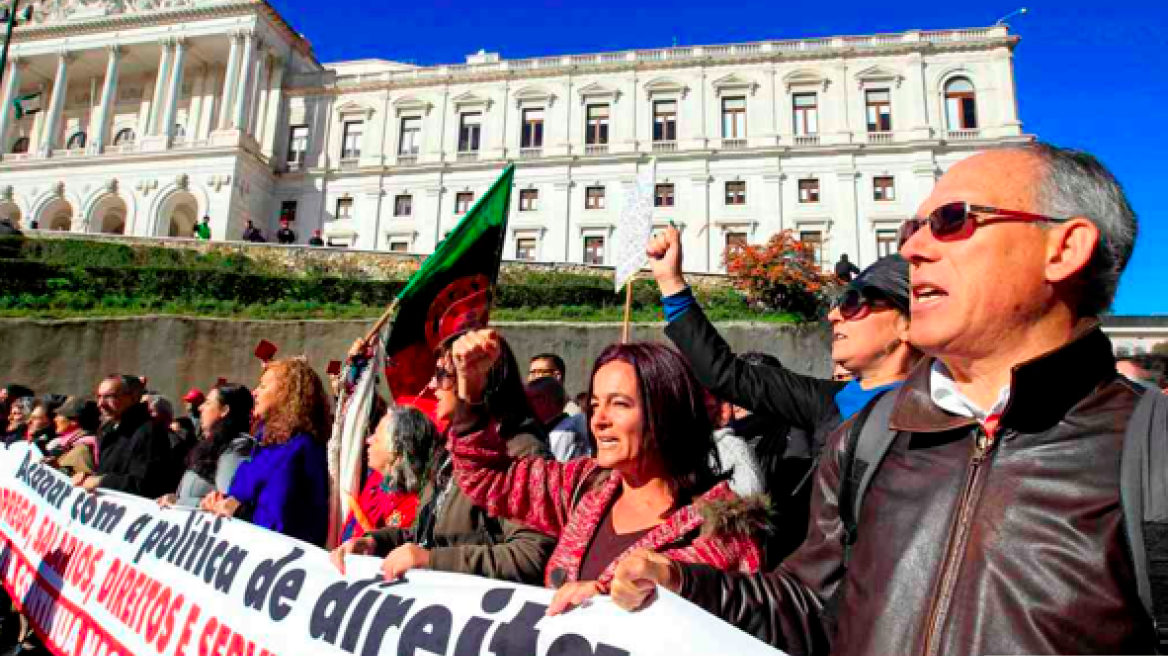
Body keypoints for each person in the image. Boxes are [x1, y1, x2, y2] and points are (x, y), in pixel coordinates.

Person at [612, 143, 1158, 655]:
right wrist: (680, 582)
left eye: (952, 220)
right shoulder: (865, 439)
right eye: (911, 228)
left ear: (1064, 248)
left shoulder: (1152, 455)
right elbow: (809, 607)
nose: (912, 248)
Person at [648, 227, 919, 562]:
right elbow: (727, 375)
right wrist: (671, 284)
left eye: (853, 302)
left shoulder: (954, 414)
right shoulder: (831, 400)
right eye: (837, 303)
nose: (833, 315)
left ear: (908, 322)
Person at [449, 334, 765, 615]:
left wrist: (601, 602)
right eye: (596, 403)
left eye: (619, 404)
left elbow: (716, 623)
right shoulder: (584, 486)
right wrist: (472, 394)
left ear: (665, 413)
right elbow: (488, 479)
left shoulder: (720, 530)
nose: (598, 419)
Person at [331, 332, 555, 585]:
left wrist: (431, 560)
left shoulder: (520, 451)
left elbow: (530, 557)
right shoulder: (449, 450)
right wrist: (375, 542)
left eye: (442, 375)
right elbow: (426, 535)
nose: (432, 386)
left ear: (480, 378)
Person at [203, 358, 331, 546]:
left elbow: (280, 522)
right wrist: (218, 501)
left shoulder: (300, 447)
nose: (255, 392)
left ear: (286, 393)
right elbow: (244, 497)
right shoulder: (269, 444)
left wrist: (237, 511)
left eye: (263, 386)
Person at [338, 406, 439, 542]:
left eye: (377, 439)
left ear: (397, 456)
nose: (369, 440)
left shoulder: (413, 511)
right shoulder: (378, 477)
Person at [72, 375, 172, 497]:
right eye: (98, 397)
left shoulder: (149, 433)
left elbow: (146, 485)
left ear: (133, 397)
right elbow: (113, 471)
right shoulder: (110, 429)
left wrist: (101, 481)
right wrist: (90, 478)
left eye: (109, 396)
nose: (100, 404)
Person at [160, 385, 254, 508]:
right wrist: (175, 498)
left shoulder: (236, 448)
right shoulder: (212, 444)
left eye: (208, 403)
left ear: (224, 410)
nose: (200, 408)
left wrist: (180, 503)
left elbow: (224, 503)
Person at [526, 376, 591, 461]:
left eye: (530, 399)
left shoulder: (562, 433)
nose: (527, 405)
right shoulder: (575, 423)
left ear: (544, 400)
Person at [43, 397, 100, 476]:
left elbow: (84, 482)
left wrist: (57, 469)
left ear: (74, 421)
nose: (55, 419)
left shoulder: (82, 450)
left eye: (59, 415)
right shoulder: (69, 446)